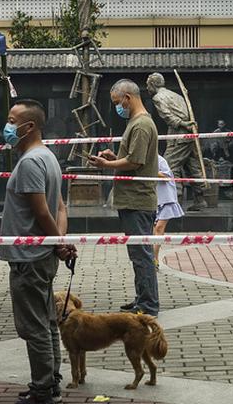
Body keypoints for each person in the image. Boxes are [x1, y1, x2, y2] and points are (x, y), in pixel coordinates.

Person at [0, 98, 76, 404]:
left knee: (34, 328)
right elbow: (60, 207)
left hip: (29, 259)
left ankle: (43, 388)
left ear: (28, 126)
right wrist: (58, 242)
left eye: (11, 120)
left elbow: (43, 211)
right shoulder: (48, 157)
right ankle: (51, 381)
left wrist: (56, 243)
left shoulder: (31, 162)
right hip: (40, 256)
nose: (6, 126)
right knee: (47, 323)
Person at [88, 79, 159, 316]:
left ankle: (148, 304)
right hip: (133, 199)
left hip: (137, 199)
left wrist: (108, 164)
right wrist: (113, 157)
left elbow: (134, 161)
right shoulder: (137, 123)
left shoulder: (140, 125)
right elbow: (129, 156)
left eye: (118, 102)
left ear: (127, 98)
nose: (118, 107)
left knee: (142, 255)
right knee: (137, 254)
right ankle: (142, 299)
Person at [145, 72, 206, 212]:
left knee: (170, 165)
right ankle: (200, 198)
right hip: (190, 133)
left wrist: (183, 124)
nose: (147, 88)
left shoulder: (158, 97)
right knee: (192, 165)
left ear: (153, 84)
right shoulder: (176, 95)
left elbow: (168, 116)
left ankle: (174, 199)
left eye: (148, 85)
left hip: (179, 134)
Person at [152, 154, 184, 268]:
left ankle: (154, 259)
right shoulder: (141, 160)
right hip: (154, 200)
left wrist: (150, 171)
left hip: (166, 199)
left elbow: (166, 176)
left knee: (160, 228)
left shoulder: (160, 160)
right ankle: (153, 257)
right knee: (153, 230)